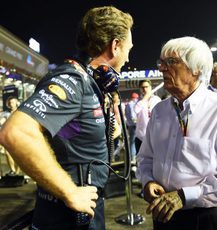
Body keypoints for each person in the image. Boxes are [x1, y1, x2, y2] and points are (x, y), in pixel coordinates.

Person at [0, 6, 133, 229]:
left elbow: (75, 136)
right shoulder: (73, 80)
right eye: (129, 47)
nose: (129, 56)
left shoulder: (90, 83)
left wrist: (109, 126)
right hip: (68, 217)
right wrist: (69, 191)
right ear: (115, 46)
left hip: (83, 211)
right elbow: (16, 132)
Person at [136, 36, 217, 230]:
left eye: (171, 62)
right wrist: (147, 181)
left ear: (196, 69)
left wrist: (184, 195)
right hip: (162, 215)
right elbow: (145, 158)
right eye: (161, 63)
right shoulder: (160, 111)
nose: (162, 68)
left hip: (204, 218)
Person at [134, 79, 161, 153]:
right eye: (142, 87)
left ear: (150, 87)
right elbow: (136, 110)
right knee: (140, 161)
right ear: (140, 89)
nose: (145, 89)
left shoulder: (156, 99)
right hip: (140, 136)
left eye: (146, 87)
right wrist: (145, 98)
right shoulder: (138, 101)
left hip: (154, 136)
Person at [0, 96, 21, 176]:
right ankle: (12, 170)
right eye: (9, 103)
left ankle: (17, 172)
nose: (11, 104)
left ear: (16, 103)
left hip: (19, 136)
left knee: (18, 155)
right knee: (7, 153)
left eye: (12, 102)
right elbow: (2, 121)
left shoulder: (20, 112)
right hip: (9, 136)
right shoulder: (6, 114)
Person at [125, 92, 139, 161]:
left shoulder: (128, 104)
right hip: (134, 125)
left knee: (132, 141)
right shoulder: (132, 104)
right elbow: (133, 116)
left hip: (130, 125)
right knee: (133, 142)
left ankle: (132, 157)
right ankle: (133, 158)